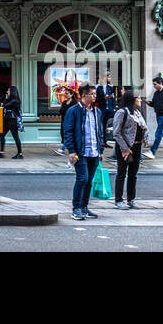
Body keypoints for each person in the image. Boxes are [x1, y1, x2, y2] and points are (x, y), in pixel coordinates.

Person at [62, 84, 104, 221]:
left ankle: (84, 207)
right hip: (81, 152)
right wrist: (71, 150)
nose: (94, 96)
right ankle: (76, 208)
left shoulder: (97, 112)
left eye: (95, 94)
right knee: (82, 179)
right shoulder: (74, 111)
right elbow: (67, 131)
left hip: (94, 151)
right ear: (84, 95)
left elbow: (99, 132)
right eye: (92, 94)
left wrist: (100, 150)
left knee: (89, 181)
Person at [111, 90, 147, 209]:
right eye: (139, 98)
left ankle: (131, 199)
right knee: (121, 173)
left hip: (137, 147)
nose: (140, 100)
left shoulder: (137, 112)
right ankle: (118, 200)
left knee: (133, 174)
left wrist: (145, 137)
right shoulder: (122, 112)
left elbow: (143, 127)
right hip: (125, 147)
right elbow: (116, 133)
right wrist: (125, 148)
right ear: (132, 99)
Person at [146, 75, 163, 160]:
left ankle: (152, 151)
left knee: (158, 134)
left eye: (155, 84)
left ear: (160, 83)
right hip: (158, 116)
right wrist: (149, 103)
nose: (154, 86)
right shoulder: (156, 93)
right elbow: (154, 104)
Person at [0, 85, 23, 159]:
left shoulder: (15, 100)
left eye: (8, 90)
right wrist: (6, 98)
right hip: (7, 119)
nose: (7, 92)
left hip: (12, 121)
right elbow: (4, 105)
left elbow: (4, 106)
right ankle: (1, 152)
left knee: (15, 137)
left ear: (12, 92)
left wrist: (5, 101)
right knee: (1, 134)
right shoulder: (9, 99)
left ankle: (20, 154)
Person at [96, 72, 116, 151]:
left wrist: (113, 108)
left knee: (107, 125)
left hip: (109, 109)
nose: (110, 79)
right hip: (102, 109)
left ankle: (105, 141)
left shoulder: (110, 88)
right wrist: (104, 98)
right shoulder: (99, 88)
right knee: (100, 125)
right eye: (109, 77)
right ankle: (100, 141)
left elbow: (113, 99)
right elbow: (96, 99)